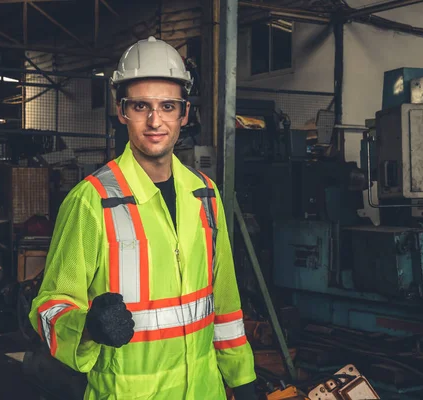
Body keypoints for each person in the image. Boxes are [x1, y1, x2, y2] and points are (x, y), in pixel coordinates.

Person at [29, 36, 257, 399]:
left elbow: (225, 303)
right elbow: (49, 306)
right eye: (140, 106)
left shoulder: (206, 195)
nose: (155, 121)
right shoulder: (92, 201)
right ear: (122, 112)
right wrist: (87, 326)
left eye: (167, 106)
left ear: (184, 113)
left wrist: (242, 380)